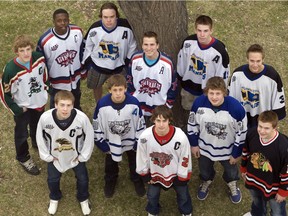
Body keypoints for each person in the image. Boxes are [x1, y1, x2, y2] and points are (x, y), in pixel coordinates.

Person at [187, 76, 247, 204]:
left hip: (227, 150)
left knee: (231, 172)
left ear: (224, 92)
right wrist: (194, 145)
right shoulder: (198, 104)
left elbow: (241, 133)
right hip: (205, 148)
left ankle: (232, 183)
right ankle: (206, 180)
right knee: (204, 169)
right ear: (206, 92)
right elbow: (192, 125)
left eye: (218, 93)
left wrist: (236, 153)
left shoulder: (236, 109)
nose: (214, 97)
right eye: (211, 93)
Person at [36, 90, 94, 215]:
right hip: (55, 157)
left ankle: (83, 198)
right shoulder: (45, 118)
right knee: (52, 179)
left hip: (75, 157)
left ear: (73, 105)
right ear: (55, 104)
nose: (65, 109)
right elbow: (40, 138)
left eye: (68, 105)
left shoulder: (82, 118)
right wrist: (47, 156)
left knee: (83, 179)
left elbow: (89, 137)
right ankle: (54, 197)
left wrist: (82, 156)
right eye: (62, 105)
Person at [0, 35, 49, 175]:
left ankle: (37, 143)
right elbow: (4, 93)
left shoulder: (39, 58)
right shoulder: (10, 70)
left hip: (38, 102)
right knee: (21, 133)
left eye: (28, 49)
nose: (26, 53)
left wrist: (47, 88)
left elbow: (44, 75)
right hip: (23, 107)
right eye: (22, 50)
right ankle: (23, 157)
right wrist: (16, 109)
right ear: (17, 52)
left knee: (38, 125)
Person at [93, 74, 146, 198]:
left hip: (131, 142)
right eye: (115, 90)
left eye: (120, 90)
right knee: (111, 164)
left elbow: (140, 124)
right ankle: (110, 181)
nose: (118, 93)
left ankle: (136, 179)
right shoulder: (102, 104)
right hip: (111, 142)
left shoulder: (134, 103)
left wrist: (138, 142)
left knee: (135, 162)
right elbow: (97, 125)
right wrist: (102, 145)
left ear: (126, 89)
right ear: (109, 90)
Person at [136, 105, 193, 216]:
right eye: (158, 120)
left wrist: (182, 177)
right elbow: (141, 156)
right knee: (152, 195)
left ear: (169, 120)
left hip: (175, 173)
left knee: (183, 194)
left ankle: (186, 211)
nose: (161, 124)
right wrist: (145, 174)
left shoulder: (180, 137)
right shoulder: (145, 137)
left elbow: (185, 157)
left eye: (164, 120)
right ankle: (153, 210)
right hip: (155, 174)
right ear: (153, 120)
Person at [177, 15, 230, 130]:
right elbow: (181, 63)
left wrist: (218, 91)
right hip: (188, 87)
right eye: (199, 30)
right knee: (188, 111)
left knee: (205, 117)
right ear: (195, 29)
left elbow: (223, 74)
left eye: (205, 31)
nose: (202, 34)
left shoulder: (219, 50)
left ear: (211, 30)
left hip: (207, 92)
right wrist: (181, 79)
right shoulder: (188, 43)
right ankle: (188, 132)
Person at [82, 2, 137, 103]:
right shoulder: (95, 29)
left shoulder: (126, 27)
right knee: (96, 86)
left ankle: (118, 104)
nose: (108, 20)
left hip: (119, 66)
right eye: (105, 17)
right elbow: (87, 45)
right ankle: (99, 104)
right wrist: (87, 62)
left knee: (121, 88)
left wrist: (128, 61)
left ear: (117, 16)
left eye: (112, 17)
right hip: (98, 66)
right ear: (101, 17)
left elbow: (132, 44)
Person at [241, 111, 288, 216]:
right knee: (257, 201)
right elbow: (246, 151)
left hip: (273, 186)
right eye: (260, 126)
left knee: (277, 210)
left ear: (275, 127)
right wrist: (244, 168)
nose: (262, 131)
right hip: (253, 179)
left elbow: (286, 170)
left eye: (266, 128)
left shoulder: (283, 145)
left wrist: (283, 191)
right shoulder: (252, 134)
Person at [229, 44, 286, 128]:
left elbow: (278, 101)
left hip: (263, 122)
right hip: (242, 121)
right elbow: (230, 98)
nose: (255, 65)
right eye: (252, 61)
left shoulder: (272, 76)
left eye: (258, 61)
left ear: (263, 59)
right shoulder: (237, 74)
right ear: (247, 59)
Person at [127, 31, 177, 126]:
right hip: (138, 106)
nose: (149, 48)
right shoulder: (135, 59)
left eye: (152, 44)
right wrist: (132, 99)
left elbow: (173, 86)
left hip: (159, 109)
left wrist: (168, 105)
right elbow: (129, 80)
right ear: (142, 45)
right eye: (146, 44)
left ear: (157, 45)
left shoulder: (167, 63)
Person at [37, 8, 84, 110]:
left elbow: (82, 52)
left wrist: (83, 70)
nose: (63, 23)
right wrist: (46, 81)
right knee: (57, 105)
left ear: (69, 20)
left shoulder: (77, 32)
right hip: (56, 81)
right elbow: (41, 64)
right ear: (53, 22)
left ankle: (76, 116)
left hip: (75, 77)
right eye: (59, 21)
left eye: (65, 20)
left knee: (75, 100)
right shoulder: (45, 41)